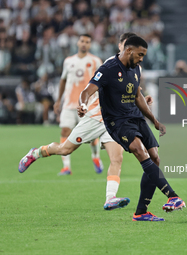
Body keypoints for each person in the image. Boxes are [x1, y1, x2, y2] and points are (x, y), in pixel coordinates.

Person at [18, 33, 152, 211]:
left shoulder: (135, 67)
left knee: (117, 158)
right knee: (65, 149)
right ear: (122, 46)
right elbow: (91, 88)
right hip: (96, 116)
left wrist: (142, 98)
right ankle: (36, 153)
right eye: (124, 45)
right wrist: (82, 103)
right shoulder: (110, 64)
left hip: (115, 121)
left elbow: (131, 89)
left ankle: (110, 198)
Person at [78, 36, 186, 221]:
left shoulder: (135, 68)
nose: (141, 59)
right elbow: (86, 91)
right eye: (140, 55)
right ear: (129, 51)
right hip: (117, 121)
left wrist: (154, 120)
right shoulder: (108, 69)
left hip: (136, 117)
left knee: (155, 159)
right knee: (139, 150)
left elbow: (138, 96)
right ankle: (172, 196)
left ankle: (141, 212)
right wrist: (83, 105)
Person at [54, 34, 104, 176]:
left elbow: (102, 81)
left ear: (90, 45)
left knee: (92, 137)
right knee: (64, 131)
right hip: (69, 104)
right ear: (77, 42)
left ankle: (96, 157)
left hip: (88, 105)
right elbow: (63, 80)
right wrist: (58, 100)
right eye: (82, 41)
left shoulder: (95, 61)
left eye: (87, 42)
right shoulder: (68, 61)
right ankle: (66, 167)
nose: (84, 44)